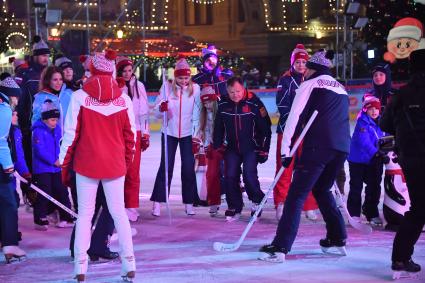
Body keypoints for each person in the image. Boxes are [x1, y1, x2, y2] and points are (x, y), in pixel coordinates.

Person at [259, 49, 350, 262]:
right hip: (341, 147)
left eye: (307, 68)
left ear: (314, 69)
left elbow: (293, 116)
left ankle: (280, 247)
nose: (304, 72)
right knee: (322, 189)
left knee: (296, 195)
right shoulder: (341, 88)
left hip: (318, 147)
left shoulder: (309, 85)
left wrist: (285, 150)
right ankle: (337, 238)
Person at [60, 50, 136, 281]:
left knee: (85, 215)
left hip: (87, 164)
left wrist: (63, 162)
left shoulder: (79, 97)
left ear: (91, 70)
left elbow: (70, 134)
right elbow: (130, 136)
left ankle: (80, 268)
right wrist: (124, 163)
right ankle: (129, 264)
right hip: (114, 165)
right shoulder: (124, 99)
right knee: (119, 214)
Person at [380, 48, 425, 277]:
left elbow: (386, 125)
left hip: (411, 158)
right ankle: (400, 258)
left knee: (418, 210)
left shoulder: (401, 94)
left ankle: (400, 258)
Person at [213, 77, 271, 222]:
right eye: (232, 92)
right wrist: (217, 146)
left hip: (250, 147)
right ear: (227, 91)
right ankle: (234, 206)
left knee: (249, 176)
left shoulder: (254, 103)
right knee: (230, 176)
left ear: (243, 89)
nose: (235, 95)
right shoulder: (223, 104)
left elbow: (266, 129)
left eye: (238, 91)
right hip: (231, 147)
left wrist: (264, 149)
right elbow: (218, 128)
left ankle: (257, 201)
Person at [150, 56, 201, 217]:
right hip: (169, 132)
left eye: (186, 78)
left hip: (187, 134)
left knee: (188, 167)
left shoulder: (196, 89)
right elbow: (156, 113)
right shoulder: (166, 87)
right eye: (180, 78)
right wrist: (161, 108)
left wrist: (197, 135)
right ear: (175, 76)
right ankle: (158, 202)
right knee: (166, 166)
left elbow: (199, 113)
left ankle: (189, 202)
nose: (184, 81)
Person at [274, 44, 318, 221]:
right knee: (285, 168)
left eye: (304, 61)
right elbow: (282, 105)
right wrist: (296, 118)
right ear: (293, 63)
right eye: (298, 61)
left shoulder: (312, 79)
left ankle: (309, 205)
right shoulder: (285, 80)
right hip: (287, 131)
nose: (301, 65)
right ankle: (281, 203)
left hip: (307, 132)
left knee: (307, 169)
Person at [116, 56, 150, 222]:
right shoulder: (115, 86)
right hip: (118, 134)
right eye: (124, 71)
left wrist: (145, 133)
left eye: (130, 70)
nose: (128, 74)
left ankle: (131, 206)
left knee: (133, 171)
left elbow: (144, 113)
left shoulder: (139, 86)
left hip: (135, 132)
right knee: (119, 171)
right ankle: (118, 205)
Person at [32, 101, 74, 230]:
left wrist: (60, 159)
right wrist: (53, 160)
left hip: (56, 168)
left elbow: (61, 145)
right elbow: (40, 150)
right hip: (43, 169)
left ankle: (66, 217)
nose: (54, 122)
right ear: (45, 119)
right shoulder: (38, 131)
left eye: (56, 120)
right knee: (45, 192)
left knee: (62, 191)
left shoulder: (57, 130)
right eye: (52, 120)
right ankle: (40, 218)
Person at [347, 97, 386, 226]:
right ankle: (353, 214)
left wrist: (387, 151)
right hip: (358, 161)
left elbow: (386, 139)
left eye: (376, 108)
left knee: (374, 187)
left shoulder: (382, 122)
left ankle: (371, 212)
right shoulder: (362, 123)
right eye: (371, 109)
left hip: (374, 161)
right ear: (365, 109)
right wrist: (377, 153)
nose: (374, 111)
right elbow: (364, 142)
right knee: (356, 188)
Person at [0, 76, 26, 263]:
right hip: (1, 167)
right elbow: (0, 142)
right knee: (9, 203)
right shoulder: (4, 109)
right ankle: (10, 244)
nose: (16, 102)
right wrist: (9, 166)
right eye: (16, 98)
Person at [16, 35, 50, 171]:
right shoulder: (24, 73)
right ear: (35, 56)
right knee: (30, 161)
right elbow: (17, 100)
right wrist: (22, 123)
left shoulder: (50, 73)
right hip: (28, 127)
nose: (45, 58)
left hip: (48, 125)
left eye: (47, 55)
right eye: (42, 55)